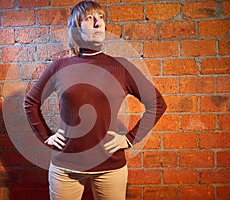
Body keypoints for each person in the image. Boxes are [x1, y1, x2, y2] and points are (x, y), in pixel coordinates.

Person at [24, 1, 167, 199]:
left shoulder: (120, 67)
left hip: (110, 168)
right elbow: (30, 102)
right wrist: (46, 135)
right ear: (76, 28)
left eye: (101, 18)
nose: (98, 23)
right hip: (66, 169)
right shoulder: (59, 67)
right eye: (90, 18)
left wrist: (129, 139)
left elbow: (157, 103)